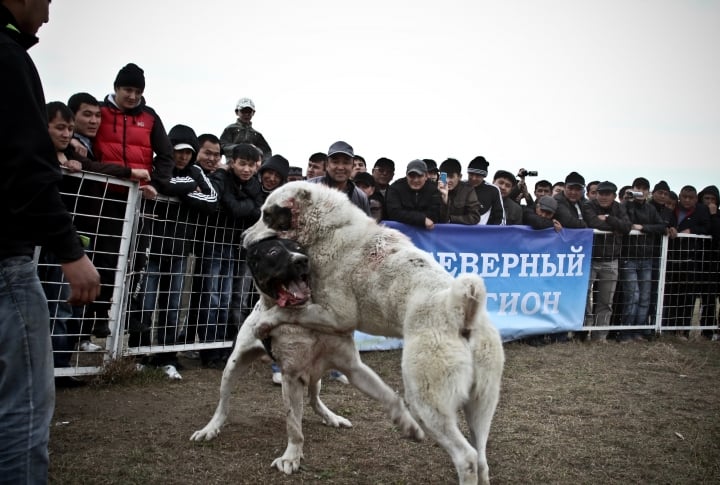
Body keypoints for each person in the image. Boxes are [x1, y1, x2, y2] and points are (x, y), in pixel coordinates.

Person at [1, 2, 101, 482]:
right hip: (7, 261)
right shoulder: (8, 57)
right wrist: (71, 249)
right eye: (45, 0)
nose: (46, 15)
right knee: (23, 402)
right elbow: (27, 163)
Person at [91, 62, 173, 340]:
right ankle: (99, 316)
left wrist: (156, 183)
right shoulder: (99, 113)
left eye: (137, 91)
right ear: (116, 88)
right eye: (128, 89)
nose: (133, 96)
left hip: (139, 198)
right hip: (105, 197)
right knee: (103, 257)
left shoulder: (150, 118)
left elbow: (165, 154)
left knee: (137, 259)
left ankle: (129, 316)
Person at [129, 124, 218, 379]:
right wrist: (190, 187)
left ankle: (167, 356)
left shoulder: (197, 171)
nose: (183, 156)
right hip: (151, 248)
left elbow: (211, 201)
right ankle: (138, 354)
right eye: (179, 151)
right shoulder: (158, 164)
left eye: (188, 152)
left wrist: (180, 189)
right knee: (144, 303)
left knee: (173, 304)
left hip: (180, 251)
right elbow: (161, 182)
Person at [205, 144, 263, 367]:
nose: (247, 169)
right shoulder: (221, 177)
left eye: (251, 165)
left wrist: (242, 203)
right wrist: (244, 204)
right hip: (214, 243)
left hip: (236, 247)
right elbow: (233, 206)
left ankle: (225, 348)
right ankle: (209, 350)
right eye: (242, 164)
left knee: (228, 299)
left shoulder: (253, 184)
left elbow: (257, 210)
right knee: (211, 298)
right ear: (232, 162)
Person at [618, 177, 668, 342]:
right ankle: (626, 332)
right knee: (633, 296)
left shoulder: (650, 209)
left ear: (648, 192)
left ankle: (638, 331)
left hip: (647, 258)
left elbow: (662, 227)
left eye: (644, 189)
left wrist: (643, 228)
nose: (641, 191)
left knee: (645, 297)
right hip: (629, 258)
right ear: (632, 189)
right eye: (638, 188)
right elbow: (625, 224)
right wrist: (627, 201)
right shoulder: (625, 205)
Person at [582, 181, 632, 343]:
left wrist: (609, 218)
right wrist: (614, 226)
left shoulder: (619, 208)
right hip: (589, 259)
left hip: (611, 260)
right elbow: (592, 223)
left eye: (607, 194)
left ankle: (600, 336)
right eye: (600, 193)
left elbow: (626, 227)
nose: (603, 197)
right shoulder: (588, 206)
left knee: (606, 300)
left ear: (614, 195)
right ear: (596, 194)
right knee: (583, 297)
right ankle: (583, 331)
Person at [308, 141, 370, 215]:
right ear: (327, 165)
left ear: (352, 166)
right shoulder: (309, 188)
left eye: (346, 162)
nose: (340, 167)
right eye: (335, 162)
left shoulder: (360, 197)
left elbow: (366, 225)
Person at [385, 159, 442, 229]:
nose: (415, 180)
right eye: (412, 176)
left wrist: (409, 216)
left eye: (419, 176)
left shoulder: (434, 189)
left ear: (426, 176)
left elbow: (435, 214)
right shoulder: (395, 188)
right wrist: (421, 219)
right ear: (406, 175)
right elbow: (394, 212)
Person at [219, 97, 272, 162]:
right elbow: (222, 146)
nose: (246, 114)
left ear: (253, 113)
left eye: (249, 112)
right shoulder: (230, 129)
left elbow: (267, 153)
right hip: (232, 165)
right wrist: (243, 147)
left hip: (251, 167)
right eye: (243, 111)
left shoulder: (257, 134)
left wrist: (256, 151)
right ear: (236, 112)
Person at [697, 185, 719, 332]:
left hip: (716, 261)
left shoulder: (718, 215)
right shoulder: (696, 213)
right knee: (707, 298)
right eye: (706, 198)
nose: (709, 202)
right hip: (699, 261)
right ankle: (707, 330)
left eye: (713, 199)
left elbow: (717, 235)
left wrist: (714, 215)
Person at [437, 158, 480, 224]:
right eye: (444, 176)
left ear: (460, 176)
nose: (447, 180)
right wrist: (444, 200)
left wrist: (451, 219)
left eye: (451, 177)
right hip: (438, 232)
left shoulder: (468, 190)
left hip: (459, 233)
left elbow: (474, 217)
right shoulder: (435, 189)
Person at [466, 156, 504, 225]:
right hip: (459, 232)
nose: (474, 178)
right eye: (471, 174)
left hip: (482, 233)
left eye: (478, 176)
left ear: (484, 176)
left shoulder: (493, 190)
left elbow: (500, 217)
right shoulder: (460, 186)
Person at [67, 92, 102, 159]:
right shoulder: (65, 144)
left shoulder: (98, 143)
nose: (94, 121)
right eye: (87, 115)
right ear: (72, 115)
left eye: (98, 115)